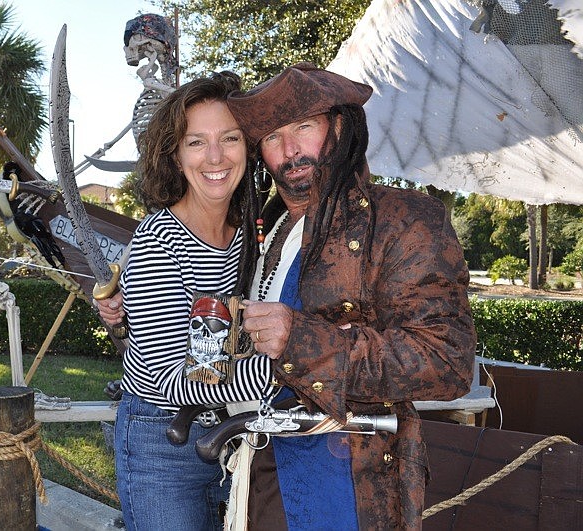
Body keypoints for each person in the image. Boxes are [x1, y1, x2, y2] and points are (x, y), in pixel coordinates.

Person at [221, 63, 477, 529]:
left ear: (338, 126)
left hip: (350, 482)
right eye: (274, 137)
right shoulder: (265, 230)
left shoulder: (405, 218)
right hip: (259, 470)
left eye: (304, 128)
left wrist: (301, 340)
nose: (290, 150)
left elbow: (448, 360)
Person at [106, 71, 273, 531]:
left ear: (249, 147)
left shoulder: (252, 237)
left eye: (230, 138)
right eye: (196, 142)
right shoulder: (158, 239)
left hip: (235, 433)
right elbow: (167, 378)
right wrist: (287, 368)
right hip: (163, 441)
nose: (215, 157)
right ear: (176, 156)